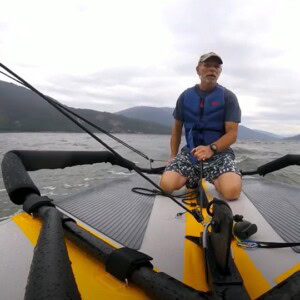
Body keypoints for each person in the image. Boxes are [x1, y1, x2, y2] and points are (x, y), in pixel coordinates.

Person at [160, 52, 242, 201]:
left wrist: (211, 149)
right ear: (198, 70)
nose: (212, 69)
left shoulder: (228, 97)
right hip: (191, 153)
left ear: (220, 71)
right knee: (167, 186)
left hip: (220, 154)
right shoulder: (185, 96)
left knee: (232, 192)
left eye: (216, 66)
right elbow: (177, 129)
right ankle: (192, 177)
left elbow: (232, 134)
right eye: (207, 65)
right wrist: (173, 155)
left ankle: (217, 178)